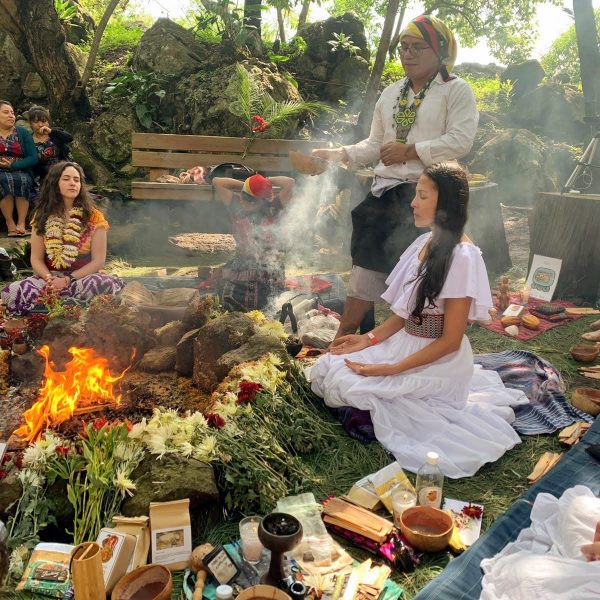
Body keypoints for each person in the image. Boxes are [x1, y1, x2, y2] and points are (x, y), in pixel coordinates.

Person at [308, 162, 524, 478]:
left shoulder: (462, 256)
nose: (413, 203)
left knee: (351, 385)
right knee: (330, 367)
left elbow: (450, 341)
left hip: (438, 360)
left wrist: (392, 369)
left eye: (422, 196)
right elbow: (403, 315)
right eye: (416, 194)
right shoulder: (423, 243)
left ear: (446, 203)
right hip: (404, 344)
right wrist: (367, 340)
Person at [312, 15, 478, 339]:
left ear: (440, 51)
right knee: (364, 267)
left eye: (418, 47)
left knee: (423, 278)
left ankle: (414, 344)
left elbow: (461, 141)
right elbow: (375, 144)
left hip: (431, 197)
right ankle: (350, 334)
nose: (408, 54)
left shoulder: (455, 90)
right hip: (385, 194)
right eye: (403, 48)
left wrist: (411, 151)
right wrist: (338, 154)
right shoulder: (390, 94)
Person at [1, 161, 124, 314]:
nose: (72, 183)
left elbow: (98, 261)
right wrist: (49, 280)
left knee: (104, 283)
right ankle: (61, 305)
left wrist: (68, 280)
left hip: (82, 278)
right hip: (49, 280)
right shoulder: (42, 216)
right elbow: (36, 259)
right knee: (12, 290)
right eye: (66, 179)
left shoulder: (94, 217)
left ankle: (56, 306)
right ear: (54, 183)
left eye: (76, 180)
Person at [210, 173, 295, 311]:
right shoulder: (236, 204)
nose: (242, 201)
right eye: (243, 197)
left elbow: (290, 182)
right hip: (241, 267)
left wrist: (265, 182)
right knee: (228, 304)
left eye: (247, 200)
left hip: (269, 270)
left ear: (258, 202)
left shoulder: (274, 207)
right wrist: (246, 185)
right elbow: (217, 181)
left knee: (270, 307)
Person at [0, 100, 38, 237]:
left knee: (22, 180)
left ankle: (21, 223)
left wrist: (13, 165)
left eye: (12, 113)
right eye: (6, 112)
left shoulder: (22, 133)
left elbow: (33, 157)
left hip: (20, 169)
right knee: (3, 179)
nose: (11, 116)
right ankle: (10, 223)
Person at [28, 105, 74, 187]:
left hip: (64, 168)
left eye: (44, 121)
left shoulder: (55, 133)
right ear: (30, 124)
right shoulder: (28, 141)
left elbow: (69, 138)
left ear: (48, 122)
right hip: (44, 175)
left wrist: (51, 131)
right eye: (36, 122)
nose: (40, 124)